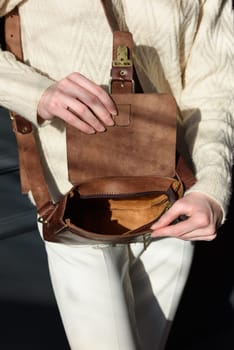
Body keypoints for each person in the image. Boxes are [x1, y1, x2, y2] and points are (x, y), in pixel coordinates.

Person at [0, 1, 233, 349]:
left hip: (171, 204)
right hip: (73, 206)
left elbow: (216, 86)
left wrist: (213, 187)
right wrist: (35, 91)